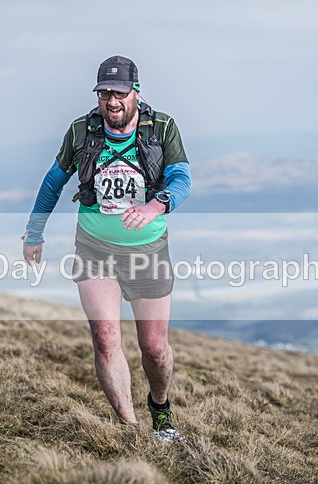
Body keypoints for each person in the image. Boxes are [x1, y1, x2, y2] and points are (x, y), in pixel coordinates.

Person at [22, 55, 192, 442]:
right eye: (104, 94)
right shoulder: (82, 131)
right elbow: (53, 181)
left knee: (154, 348)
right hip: (94, 248)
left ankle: (160, 410)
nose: (111, 102)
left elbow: (181, 178)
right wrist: (34, 232)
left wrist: (155, 206)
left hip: (148, 250)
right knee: (105, 338)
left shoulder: (161, 127)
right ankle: (130, 430)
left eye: (118, 93)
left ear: (136, 92)